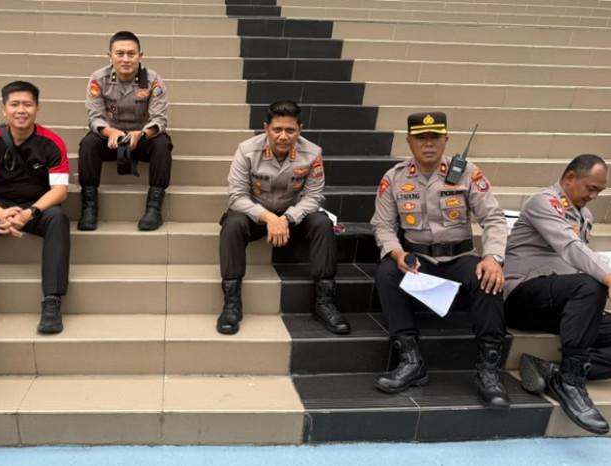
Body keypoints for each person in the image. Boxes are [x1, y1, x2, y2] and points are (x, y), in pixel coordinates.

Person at [370, 112, 510, 408]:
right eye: (421, 138)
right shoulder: (394, 178)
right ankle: (411, 360)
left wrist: (493, 257)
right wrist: (397, 253)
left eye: (434, 137)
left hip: (459, 257)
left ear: (446, 140)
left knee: (488, 277)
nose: (428, 144)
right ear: (409, 141)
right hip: (418, 258)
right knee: (387, 273)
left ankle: (488, 370)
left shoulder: (468, 173)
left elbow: (494, 218)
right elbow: (382, 225)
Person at [216, 100, 350, 336]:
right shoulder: (247, 150)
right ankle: (232, 303)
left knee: (322, 223)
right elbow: (236, 197)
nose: (283, 136)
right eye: (277, 129)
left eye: (290, 130)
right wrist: (270, 219)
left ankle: (325, 302)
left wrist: (286, 219)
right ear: (266, 128)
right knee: (233, 223)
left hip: (292, 218)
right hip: (258, 216)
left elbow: (314, 197)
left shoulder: (313, 153)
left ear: (300, 129)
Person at [504, 154, 611, 434]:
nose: (594, 196)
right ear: (570, 178)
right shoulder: (544, 202)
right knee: (591, 284)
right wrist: (607, 277)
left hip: (563, 303)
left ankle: (553, 371)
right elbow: (571, 248)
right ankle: (572, 381)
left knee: (589, 285)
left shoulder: (584, 216)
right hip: (524, 296)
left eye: (599, 191)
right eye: (591, 188)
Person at [0, 80, 70, 335]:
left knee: (58, 218)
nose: (21, 110)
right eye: (15, 104)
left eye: (28, 104)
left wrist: (29, 213)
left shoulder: (52, 142)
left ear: (37, 108)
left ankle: (52, 301)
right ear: (4, 109)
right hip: (0, 205)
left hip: (37, 207)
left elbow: (59, 190)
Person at [77, 30, 173, 231]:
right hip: (111, 139)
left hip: (142, 139)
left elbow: (159, 119)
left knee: (163, 144)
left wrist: (142, 134)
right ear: (110, 56)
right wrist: (110, 132)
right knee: (88, 143)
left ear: (140, 56)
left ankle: (154, 208)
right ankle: (89, 207)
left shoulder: (153, 80)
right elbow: (95, 116)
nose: (126, 59)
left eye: (131, 54)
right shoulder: (98, 79)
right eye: (120, 53)